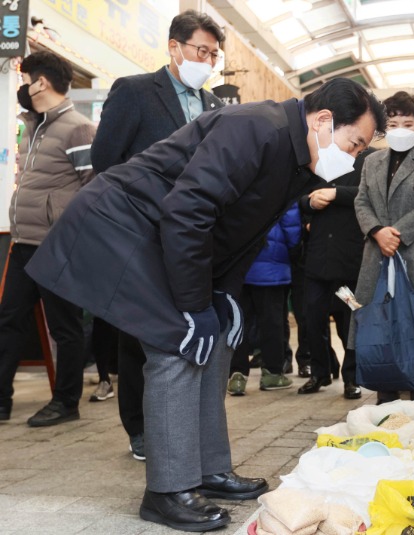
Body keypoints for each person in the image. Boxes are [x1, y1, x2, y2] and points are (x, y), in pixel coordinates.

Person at [26, 77, 385, 532]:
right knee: (176, 343)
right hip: (124, 226)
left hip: (166, 234)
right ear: (323, 120)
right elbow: (190, 208)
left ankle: (208, 471)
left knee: (212, 338)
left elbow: (243, 234)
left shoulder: (297, 156)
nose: (351, 159)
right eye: (354, 144)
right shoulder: (257, 127)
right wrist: (196, 304)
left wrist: (224, 298)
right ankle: (167, 491)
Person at [90, 9, 225, 461]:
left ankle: (178, 419)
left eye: (212, 53)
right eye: (199, 50)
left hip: (190, 234)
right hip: (139, 227)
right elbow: (105, 159)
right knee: (137, 333)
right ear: (174, 47)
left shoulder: (213, 106)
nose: (206, 60)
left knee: (178, 327)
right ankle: (141, 428)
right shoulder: (134, 92)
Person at [0, 51, 96, 426]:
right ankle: (2, 400)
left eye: (25, 81)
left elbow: (93, 189)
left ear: (41, 82)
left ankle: (66, 402)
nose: (23, 88)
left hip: (59, 248)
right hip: (24, 244)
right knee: (8, 321)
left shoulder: (78, 128)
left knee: (65, 328)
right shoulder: (35, 127)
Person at [351, 91, 414, 404]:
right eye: (393, 123)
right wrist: (377, 232)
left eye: (408, 123)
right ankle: (385, 405)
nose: (401, 129)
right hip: (377, 254)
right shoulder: (372, 161)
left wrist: (397, 233)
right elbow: (361, 200)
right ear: (384, 127)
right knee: (380, 328)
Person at [297, 148, 374, 399]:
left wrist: (335, 193)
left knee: (349, 320)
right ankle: (320, 373)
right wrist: (309, 203)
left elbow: (371, 194)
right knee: (312, 316)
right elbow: (299, 196)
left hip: (348, 262)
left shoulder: (367, 159)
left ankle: (352, 378)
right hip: (318, 260)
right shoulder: (318, 159)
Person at [227, 203, 302, 395]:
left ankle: (237, 375)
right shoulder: (281, 181)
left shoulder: (236, 182)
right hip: (272, 264)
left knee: (238, 322)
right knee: (272, 322)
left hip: (239, 264)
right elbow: (291, 224)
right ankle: (272, 374)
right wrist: (294, 251)